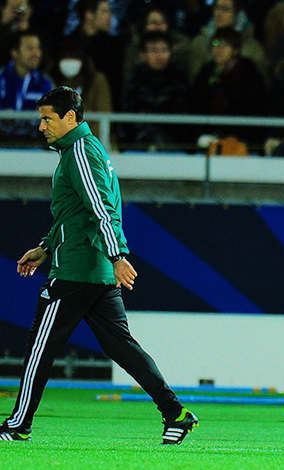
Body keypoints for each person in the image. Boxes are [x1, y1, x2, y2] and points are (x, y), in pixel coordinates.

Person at [0, 86, 198, 444]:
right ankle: (175, 413)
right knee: (121, 347)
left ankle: (17, 425)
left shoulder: (78, 153)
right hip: (93, 269)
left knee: (39, 349)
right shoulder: (86, 150)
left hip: (77, 269)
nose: (41, 127)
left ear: (70, 118)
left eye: (47, 119)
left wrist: (118, 255)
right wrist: (45, 247)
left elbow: (101, 210)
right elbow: (76, 212)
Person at [120, 30, 189, 150]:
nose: (159, 56)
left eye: (164, 50)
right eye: (153, 50)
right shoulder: (134, 80)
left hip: (173, 145)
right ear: (142, 54)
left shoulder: (180, 79)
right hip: (138, 144)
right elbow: (127, 116)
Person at [0, 29, 52, 144]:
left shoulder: (45, 84)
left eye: (38, 48)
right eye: (29, 48)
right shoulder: (1, 79)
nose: (36, 53)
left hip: (34, 148)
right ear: (15, 53)